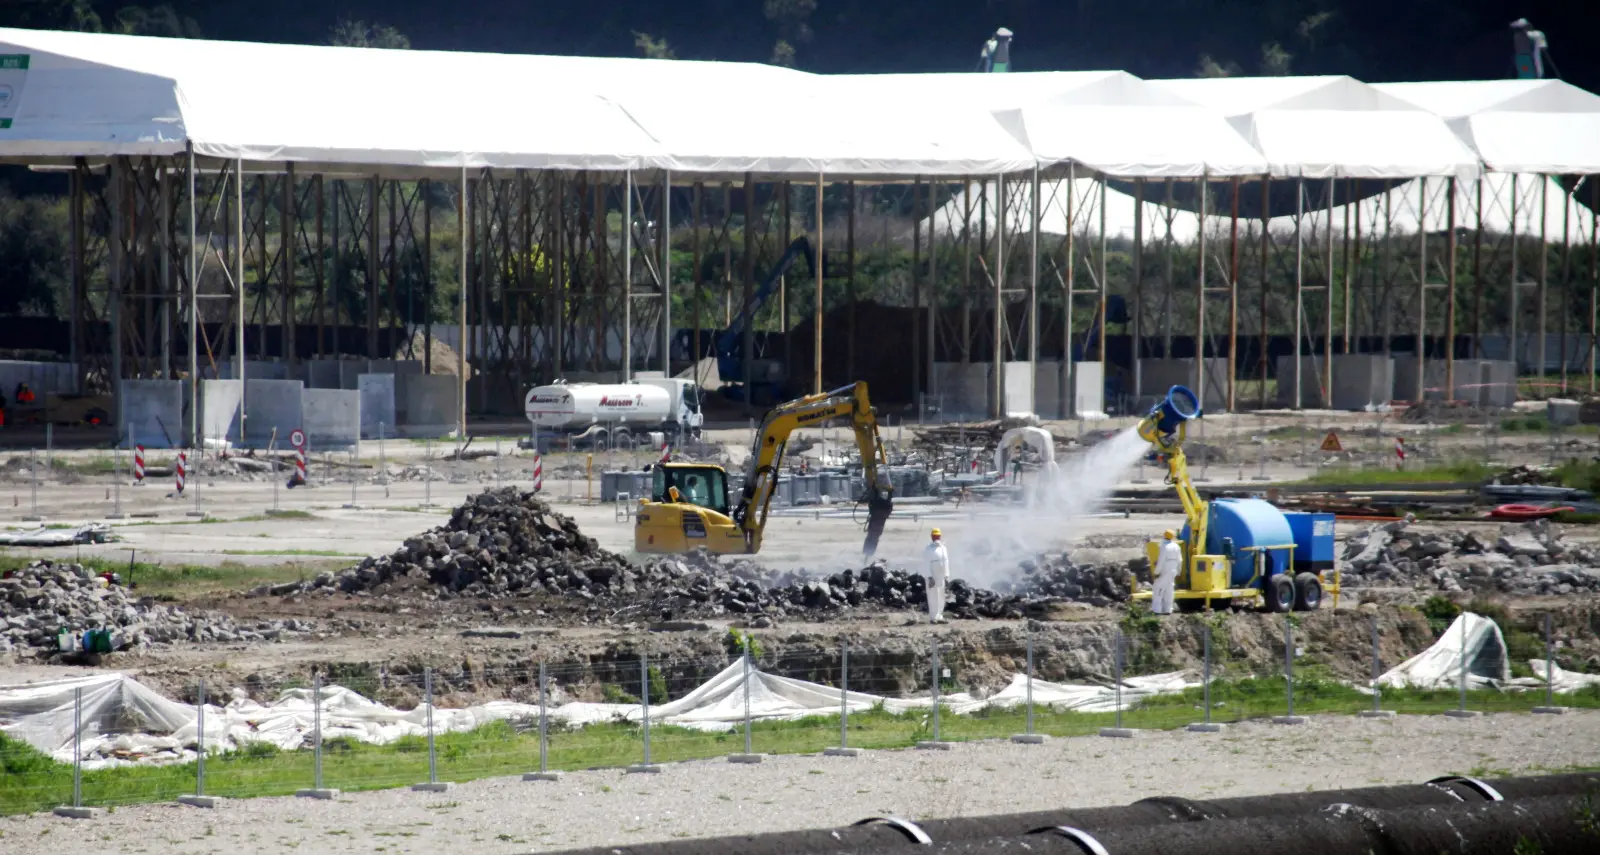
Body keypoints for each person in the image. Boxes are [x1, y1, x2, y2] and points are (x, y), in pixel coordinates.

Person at [1153, 529, 1182, 615]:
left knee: (1158, 588)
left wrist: (1156, 572)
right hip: (1173, 570)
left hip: (1165, 569)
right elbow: (1180, 560)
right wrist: (1178, 572)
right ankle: (1168, 609)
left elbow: (1161, 561)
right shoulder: (1177, 546)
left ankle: (1157, 610)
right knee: (1169, 590)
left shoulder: (1164, 547)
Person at [924, 528, 949, 623]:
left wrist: (946, 575)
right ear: (932, 537)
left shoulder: (943, 548)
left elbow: (946, 561)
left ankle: (940, 616)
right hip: (932, 573)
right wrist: (929, 577)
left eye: (938, 536)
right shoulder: (928, 549)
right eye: (934, 536)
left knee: (941, 594)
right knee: (932, 595)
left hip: (941, 574)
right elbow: (926, 563)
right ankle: (933, 617)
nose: (936, 537)